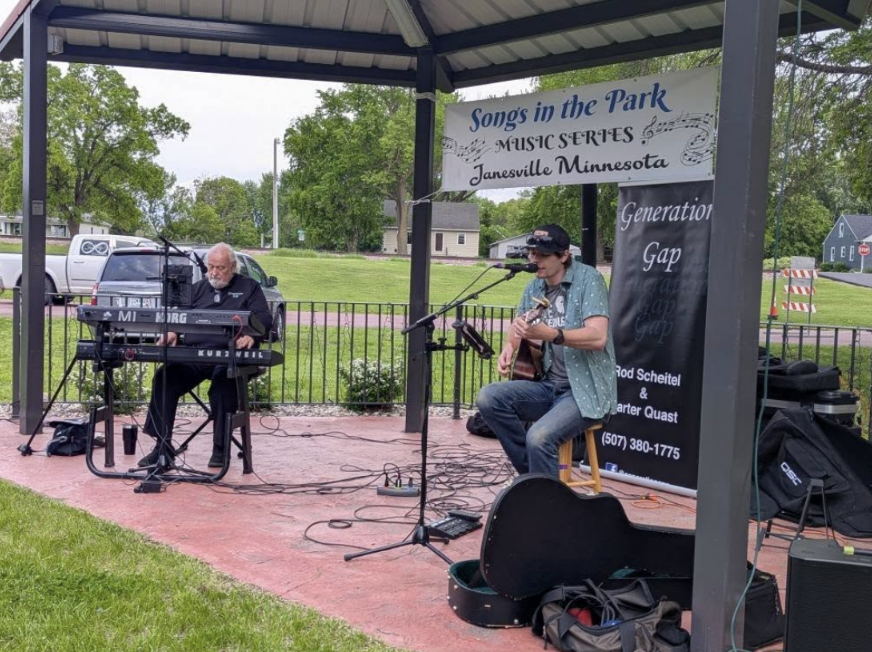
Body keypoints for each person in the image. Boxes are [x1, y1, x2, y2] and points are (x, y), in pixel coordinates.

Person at [476, 224, 617, 477]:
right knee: (489, 398)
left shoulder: (589, 280)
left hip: (584, 391)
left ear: (563, 256)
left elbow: (598, 337)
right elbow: (519, 328)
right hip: (548, 385)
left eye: (542, 255)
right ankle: (536, 481)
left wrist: (552, 334)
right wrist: (510, 346)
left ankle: (542, 496)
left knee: (539, 437)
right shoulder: (534, 287)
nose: (534, 260)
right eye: (531, 253)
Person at [139, 242, 273, 469]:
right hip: (196, 356)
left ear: (232, 267)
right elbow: (179, 318)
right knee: (164, 378)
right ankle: (162, 447)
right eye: (211, 266)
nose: (214, 272)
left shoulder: (249, 287)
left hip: (231, 357)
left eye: (220, 267)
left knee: (222, 385)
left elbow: (265, 320)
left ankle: (220, 448)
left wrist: (252, 335)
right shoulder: (198, 288)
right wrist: (172, 331)